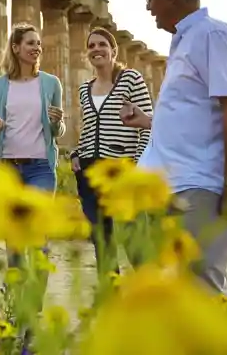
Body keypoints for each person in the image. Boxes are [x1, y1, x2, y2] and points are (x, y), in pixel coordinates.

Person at [121, 0, 227, 294]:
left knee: (198, 288)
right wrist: (149, 121)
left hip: (200, 183)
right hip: (165, 183)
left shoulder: (213, 35)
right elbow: (194, 117)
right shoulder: (184, 43)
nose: (147, 5)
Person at [0, 22, 65, 308]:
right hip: (6, 168)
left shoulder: (51, 83)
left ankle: (35, 303)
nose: (36, 48)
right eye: (30, 43)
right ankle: (19, 303)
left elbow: (57, 130)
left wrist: (57, 122)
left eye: (38, 43)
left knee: (39, 239)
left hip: (41, 167)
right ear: (16, 48)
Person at [70, 27, 153, 276]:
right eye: (92, 46)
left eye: (102, 44)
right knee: (102, 243)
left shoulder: (131, 79)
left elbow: (147, 124)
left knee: (133, 238)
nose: (96, 49)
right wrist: (76, 154)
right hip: (89, 171)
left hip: (122, 170)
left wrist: (137, 164)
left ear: (113, 50)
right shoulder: (85, 89)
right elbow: (88, 128)